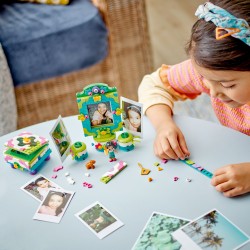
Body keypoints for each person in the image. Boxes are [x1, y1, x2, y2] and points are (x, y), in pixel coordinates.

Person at [138, 0, 250, 198]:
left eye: (227, 85)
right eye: (206, 80)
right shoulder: (212, 73)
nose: (213, 93)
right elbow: (153, 84)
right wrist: (164, 125)